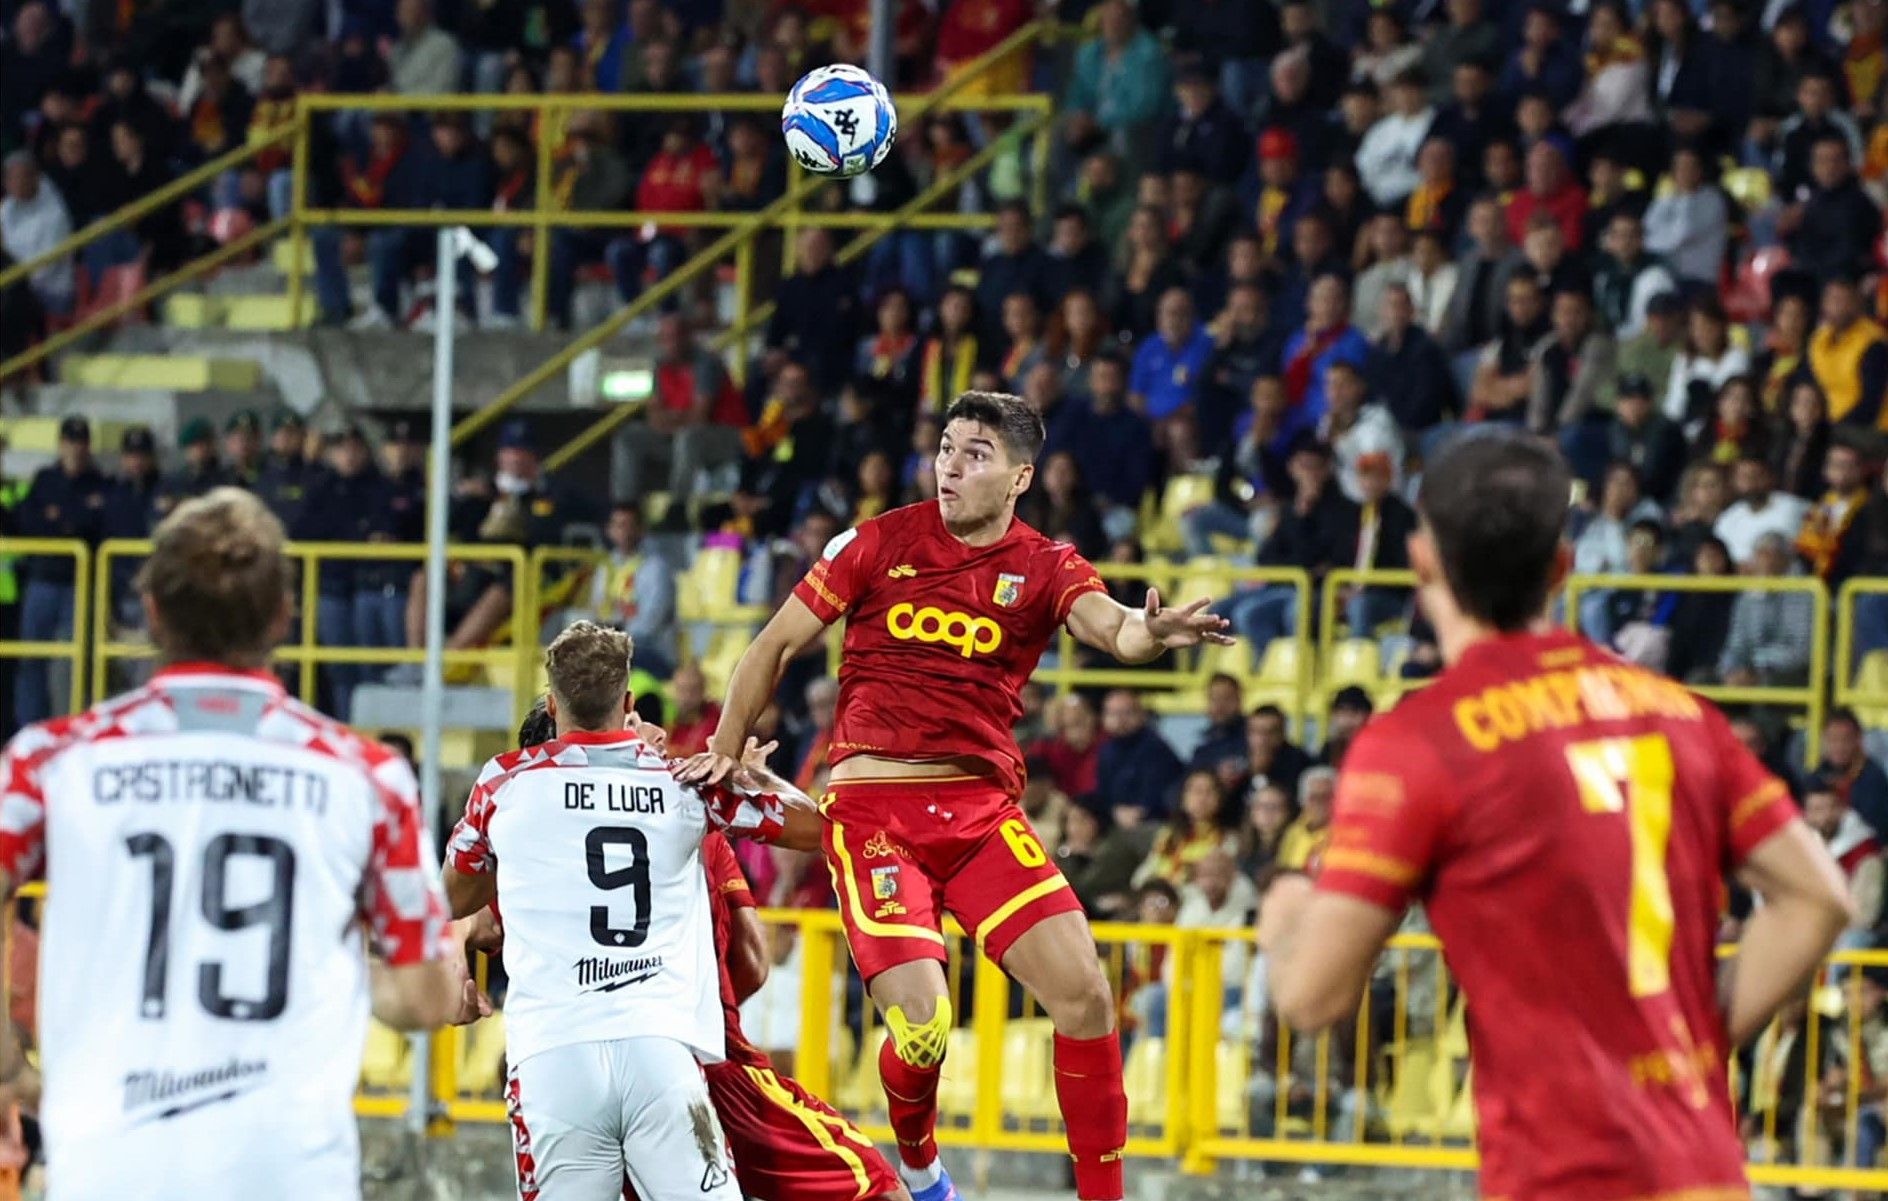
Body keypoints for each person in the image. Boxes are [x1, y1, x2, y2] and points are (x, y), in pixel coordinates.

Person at [1258, 427, 1853, 1201]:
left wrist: (1283, 909)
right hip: (1705, 1170)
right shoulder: (1679, 712)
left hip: (1565, 1176)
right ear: (1563, 567)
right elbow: (1820, 898)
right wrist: (1696, 1042)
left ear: (1421, 560)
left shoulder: (1419, 739)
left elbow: (1312, 997)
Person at [679, 392, 1233, 1201]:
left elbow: (1112, 626)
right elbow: (775, 644)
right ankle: (921, 1162)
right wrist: (723, 752)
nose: (949, 464)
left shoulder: (1045, 565)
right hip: (873, 818)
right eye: (945, 446)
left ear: (1019, 476)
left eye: (974, 452)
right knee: (926, 1024)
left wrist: (1152, 632)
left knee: (1086, 996)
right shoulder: (875, 542)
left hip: (980, 817)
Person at [0, 487, 471, 1198]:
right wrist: (329, 965)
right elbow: (426, 998)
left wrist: (10, 1061)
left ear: (151, 609)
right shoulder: (367, 776)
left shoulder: (51, 759)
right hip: (285, 1164)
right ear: (286, 613)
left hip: (109, 1153)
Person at [442, 621, 818, 1201]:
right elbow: (817, 830)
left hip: (552, 1054)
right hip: (659, 1051)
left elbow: (454, 896)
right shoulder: (688, 782)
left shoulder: (504, 783)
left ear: (551, 702)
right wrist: (751, 773)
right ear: (627, 703)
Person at [493, 694, 911, 1201]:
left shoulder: (524, 846)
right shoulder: (686, 809)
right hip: (698, 1063)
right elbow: (753, 961)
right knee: (875, 1188)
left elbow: (463, 928)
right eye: (632, 724)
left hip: (567, 1071)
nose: (656, 734)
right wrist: (749, 783)